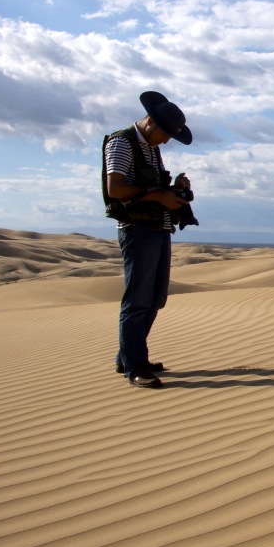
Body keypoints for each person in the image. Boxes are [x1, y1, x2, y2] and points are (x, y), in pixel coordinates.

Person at [103, 91, 194, 388]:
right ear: (151, 124)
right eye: (166, 134)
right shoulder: (121, 142)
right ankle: (135, 366)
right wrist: (159, 195)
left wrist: (173, 187)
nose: (166, 141)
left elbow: (145, 186)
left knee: (155, 299)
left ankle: (128, 357)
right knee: (137, 301)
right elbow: (116, 189)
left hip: (158, 227)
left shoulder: (150, 147)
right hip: (137, 230)